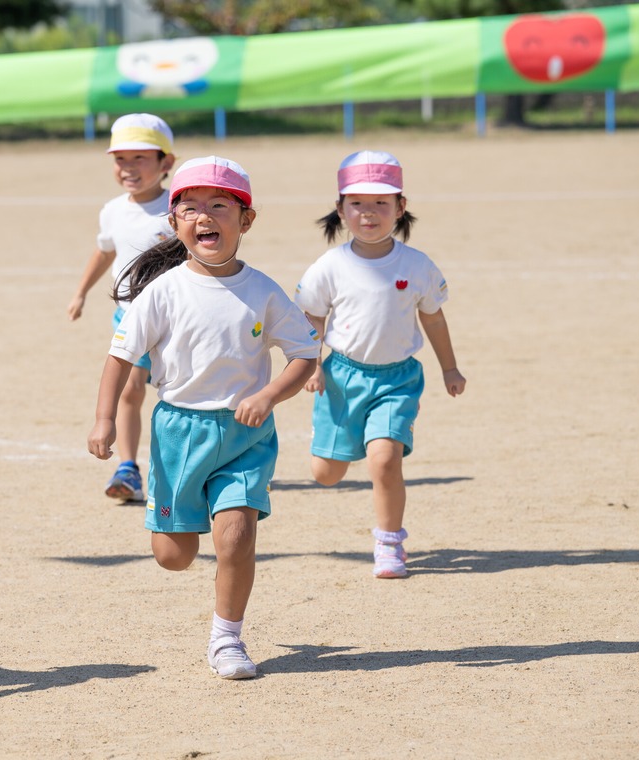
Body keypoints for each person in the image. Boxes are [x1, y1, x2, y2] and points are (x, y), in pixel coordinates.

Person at [87, 156, 319, 679]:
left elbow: (305, 352)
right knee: (173, 555)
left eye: (219, 206)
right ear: (175, 224)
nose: (204, 217)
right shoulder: (161, 292)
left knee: (235, 535)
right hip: (177, 432)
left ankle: (227, 638)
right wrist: (104, 419)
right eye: (189, 208)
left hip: (245, 434)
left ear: (246, 220)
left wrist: (270, 395)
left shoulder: (263, 290)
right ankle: (179, 532)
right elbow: (119, 358)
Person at [294, 150, 467, 579]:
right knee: (326, 474)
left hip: (397, 379)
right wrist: (310, 365)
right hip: (341, 377)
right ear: (340, 209)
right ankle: (332, 436)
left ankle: (390, 544)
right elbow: (312, 318)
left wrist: (449, 367)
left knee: (385, 460)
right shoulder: (329, 266)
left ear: (400, 208)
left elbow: (433, 316)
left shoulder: (417, 265)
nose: (368, 213)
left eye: (380, 204)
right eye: (357, 203)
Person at [69, 113, 177, 504]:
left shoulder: (178, 207)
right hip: (130, 317)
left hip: (178, 319)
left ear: (166, 162)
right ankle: (129, 468)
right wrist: (81, 291)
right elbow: (105, 250)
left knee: (183, 390)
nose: (128, 169)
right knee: (131, 389)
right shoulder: (113, 210)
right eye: (120, 160)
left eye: (140, 159)